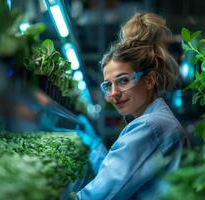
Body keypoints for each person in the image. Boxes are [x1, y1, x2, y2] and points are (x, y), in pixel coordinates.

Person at [76, 12, 186, 200]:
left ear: (149, 80)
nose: (114, 93)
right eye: (107, 85)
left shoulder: (150, 126)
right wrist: (94, 147)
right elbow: (120, 172)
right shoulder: (155, 120)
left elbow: (100, 195)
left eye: (123, 81)